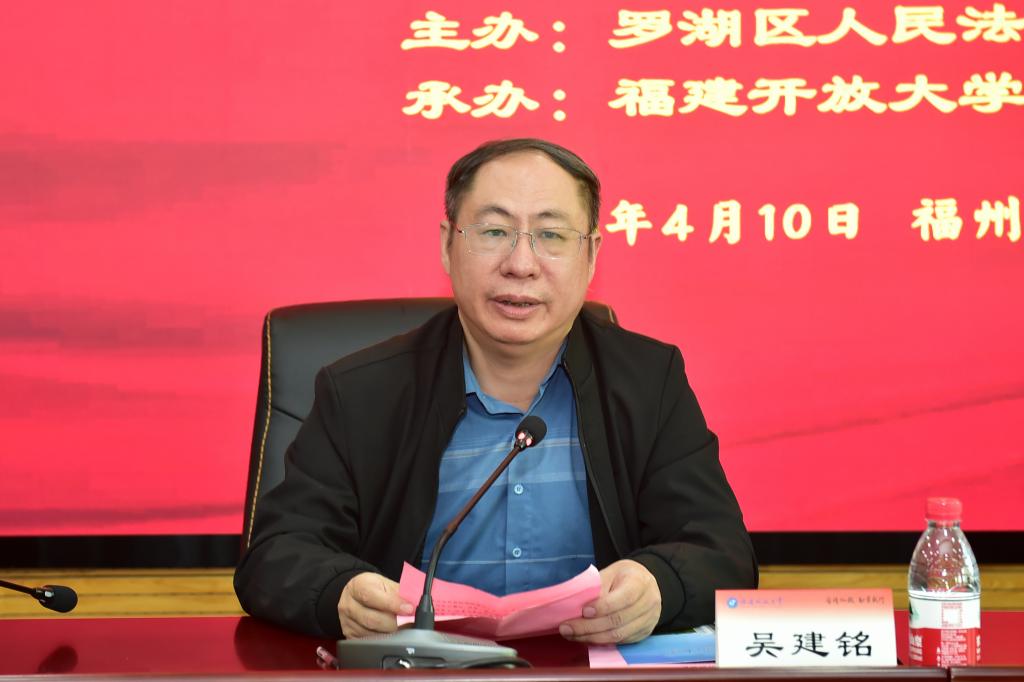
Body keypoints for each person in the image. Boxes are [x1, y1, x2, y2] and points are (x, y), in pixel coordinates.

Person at [234, 138, 757, 644]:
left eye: (551, 235)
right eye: (494, 231)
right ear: (447, 245)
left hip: (586, 672)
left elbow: (723, 553)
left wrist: (658, 585)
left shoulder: (647, 381)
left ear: (592, 254)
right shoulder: (362, 392)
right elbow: (274, 556)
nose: (521, 264)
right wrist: (341, 593)